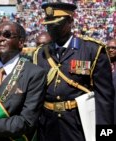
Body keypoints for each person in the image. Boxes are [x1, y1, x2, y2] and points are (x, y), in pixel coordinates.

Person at [33, 3, 115, 141]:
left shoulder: (92, 50)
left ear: (70, 21)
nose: (51, 28)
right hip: (47, 125)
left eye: (56, 24)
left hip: (79, 123)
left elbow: (104, 98)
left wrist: (105, 134)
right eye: (48, 24)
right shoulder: (40, 53)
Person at [106, 38, 116, 124]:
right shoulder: (101, 65)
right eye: (108, 48)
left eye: (113, 48)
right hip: (106, 110)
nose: (111, 50)